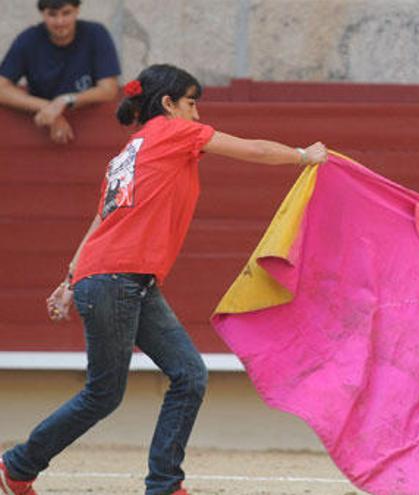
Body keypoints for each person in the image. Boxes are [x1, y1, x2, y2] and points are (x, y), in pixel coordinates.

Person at [0, 64, 328, 495]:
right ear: (169, 104)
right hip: (118, 280)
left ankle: (164, 484)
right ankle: (18, 466)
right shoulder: (175, 133)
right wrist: (304, 155)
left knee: (189, 374)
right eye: (191, 103)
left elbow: (103, 219)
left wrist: (70, 278)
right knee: (104, 394)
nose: (196, 113)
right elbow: (253, 150)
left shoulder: (127, 152)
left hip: (122, 279)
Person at [0, 0, 121, 145]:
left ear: (77, 10)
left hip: (91, 128)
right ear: (42, 14)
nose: (60, 21)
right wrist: (48, 107)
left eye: (66, 13)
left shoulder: (96, 34)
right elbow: (1, 88)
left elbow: (109, 89)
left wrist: (64, 101)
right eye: (52, 14)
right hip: (38, 133)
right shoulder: (28, 39)